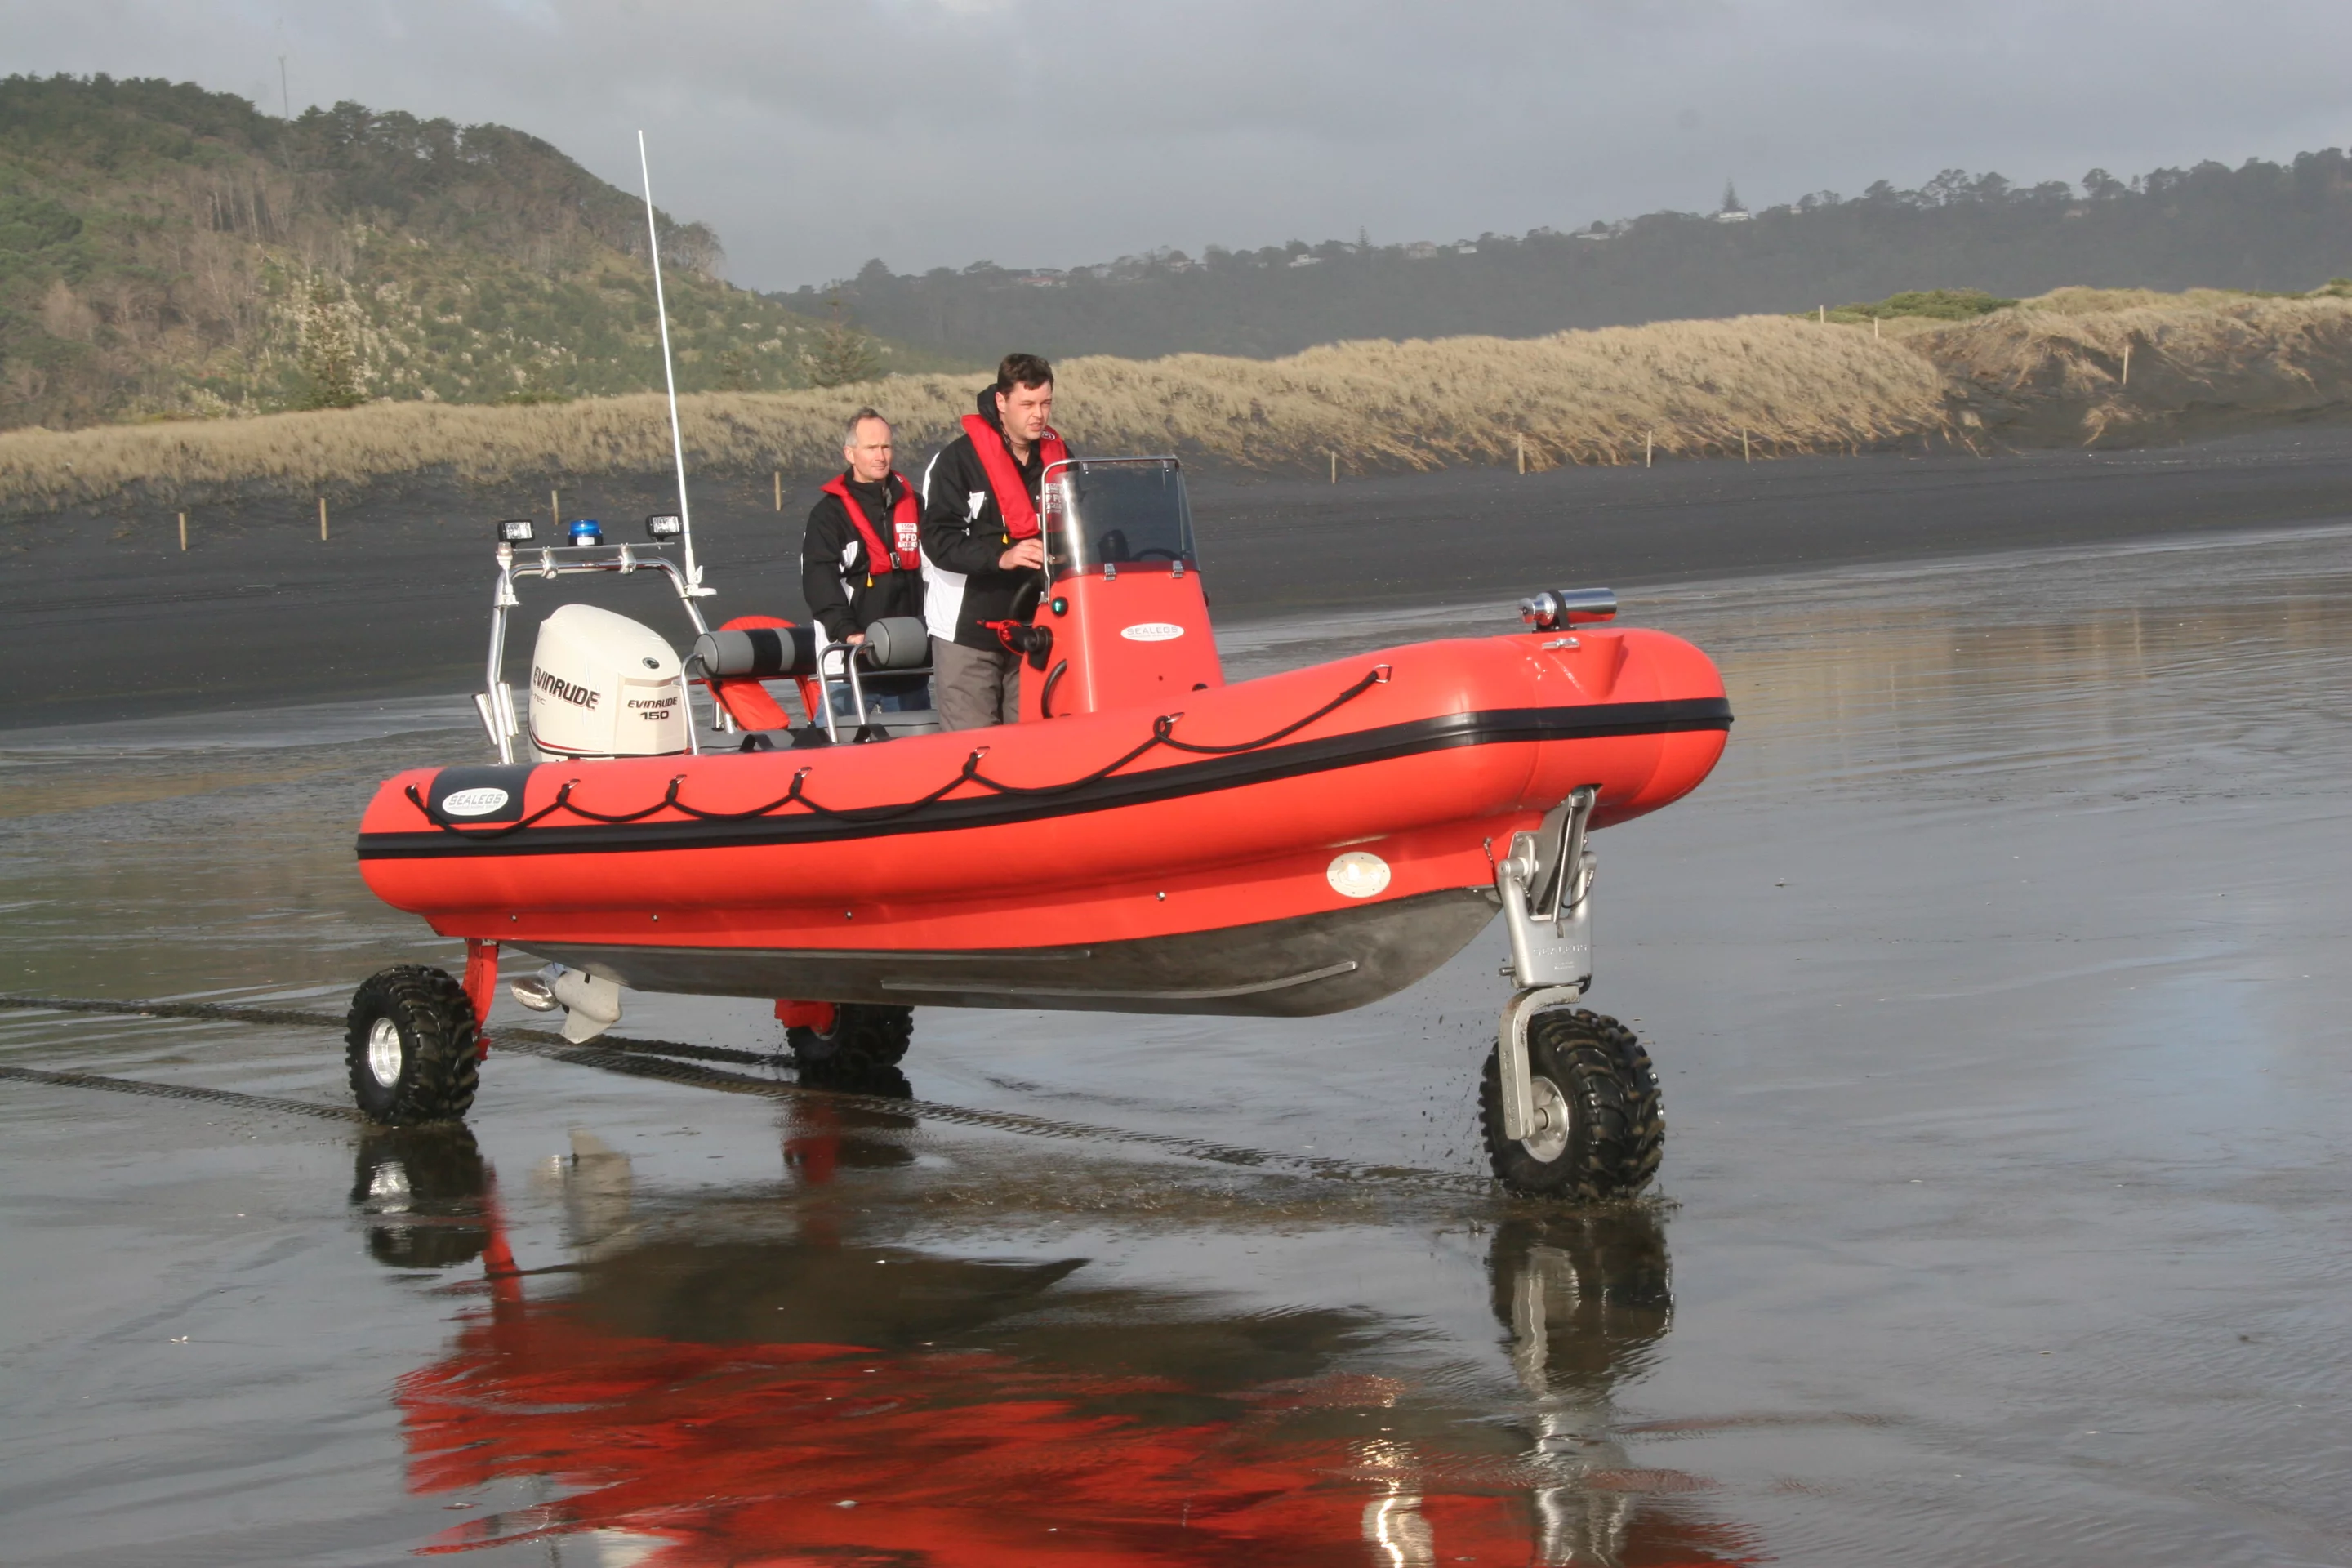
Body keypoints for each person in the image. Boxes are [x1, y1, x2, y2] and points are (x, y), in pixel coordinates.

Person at [919, 353, 1068, 729]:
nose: (1038, 415)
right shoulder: (956, 462)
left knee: (1034, 740)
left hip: (1035, 630)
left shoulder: (1059, 460)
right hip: (967, 631)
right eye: (1028, 405)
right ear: (1002, 402)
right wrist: (1003, 556)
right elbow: (938, 540)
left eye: (1045, 404)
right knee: (974, 747)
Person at [800, 407, 929, 716]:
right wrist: (849, 633)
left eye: (886, 447)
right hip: (849, 663)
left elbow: (937, 570)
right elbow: (819, 583)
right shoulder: (828, 516)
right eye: (871, 448)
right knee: (836, 742)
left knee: (917, 743)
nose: (881, 456)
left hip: (907, 662)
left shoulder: (914, 504)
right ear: (850, 453)